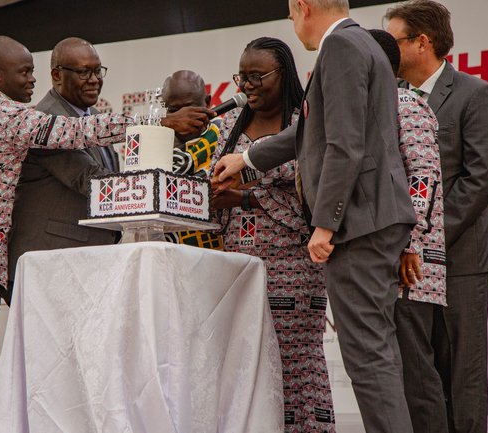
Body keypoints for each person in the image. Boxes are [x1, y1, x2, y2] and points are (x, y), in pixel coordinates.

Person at [0, 35, 210, 433]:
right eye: (25, 72)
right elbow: (77, 135)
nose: (33, 81)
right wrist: (155, 121)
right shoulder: (15, 118)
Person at [213, 1, 418, 432]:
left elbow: (344, 145)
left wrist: (326, 223)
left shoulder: (340, 47)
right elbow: (310, 132)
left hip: (360, 222)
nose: (291, 22)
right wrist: (247, 156)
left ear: (303, 7)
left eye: (290, 13)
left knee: (367, 358)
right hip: (378, 217)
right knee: (377, 353)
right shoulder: (361, 43)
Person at [384, 2, 488, 432]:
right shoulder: (387, 97)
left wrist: (426, 240)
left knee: (463, 371)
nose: (386, 48)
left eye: (393, 39)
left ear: (423, 42)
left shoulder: (476, 94)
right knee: (419, 372)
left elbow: (479, 178)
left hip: (462, 259)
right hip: (407, 263)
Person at [210, 36, 334, 432]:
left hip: (293, 263)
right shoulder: (229, 124)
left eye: (257, 76)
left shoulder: (306, 121)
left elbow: (313, 193)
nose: (246, 85)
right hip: (238, 265)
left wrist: (246, 199)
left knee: (294, 361)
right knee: (246, 359)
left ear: (284, 73)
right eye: (241, 76)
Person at [370, 28, 448, 433]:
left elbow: (424, 180)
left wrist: (409, 242)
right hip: (384, 261)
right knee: (391, 378)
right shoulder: (372, 106)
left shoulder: (406, 104)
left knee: (416, 377)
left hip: (410, 266)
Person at [8, 38, 118, 287]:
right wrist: (148, 190)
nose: (94, 79)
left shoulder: (97, 118)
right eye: (83, 72)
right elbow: (90, 180)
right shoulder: (43, 120)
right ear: (57, 76)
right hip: (48, 265)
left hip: (81, 263)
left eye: (97, 71)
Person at [161, 70, 223, 249]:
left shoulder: (227, 136)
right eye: (174, 110)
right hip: (170, 250)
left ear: (208, 102)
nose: (183, 116)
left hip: (220, 248)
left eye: (190, 108)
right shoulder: (154, 143)